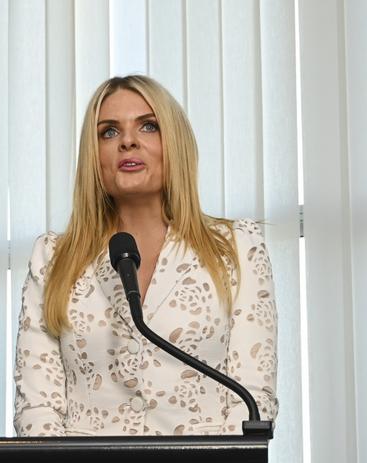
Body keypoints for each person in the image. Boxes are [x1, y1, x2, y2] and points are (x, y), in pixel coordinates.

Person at [14, 75, 277, 436]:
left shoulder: (237, 247)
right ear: (94, 156)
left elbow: (253, 396)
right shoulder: (53, 256)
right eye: (108, 132)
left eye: (148, 126)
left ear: (175, 144)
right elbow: (37, 409)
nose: (127, 142)